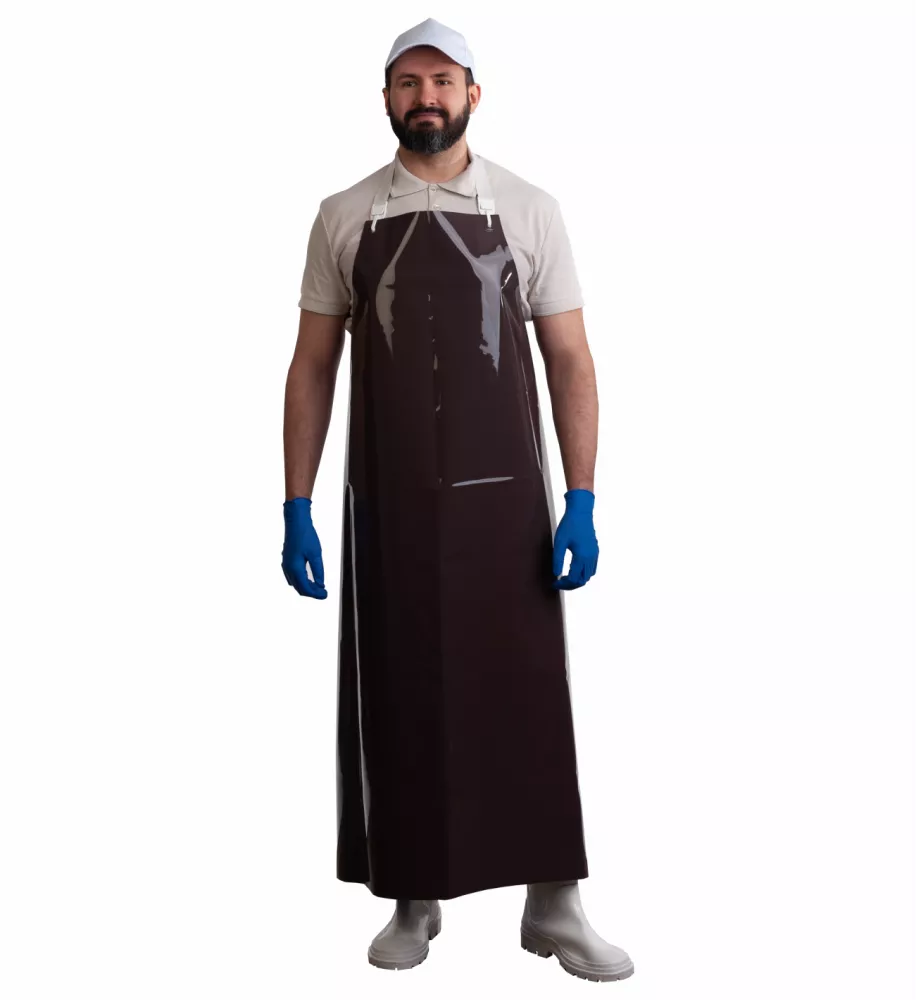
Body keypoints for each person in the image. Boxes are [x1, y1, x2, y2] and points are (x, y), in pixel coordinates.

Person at [282, 17, 634, 983]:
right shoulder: (343, 215)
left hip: (508, 504)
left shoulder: (528, 208)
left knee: (525, 693)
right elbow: (312, 366)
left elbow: (570, 357)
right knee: (401, 687)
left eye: (442, 80)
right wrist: (297, 503)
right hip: (388, 502)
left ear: (474, 94)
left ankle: (553, 903)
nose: (425, 97)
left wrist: (582, 497)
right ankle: (414, 893)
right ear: (386, 99)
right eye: (408, 82)